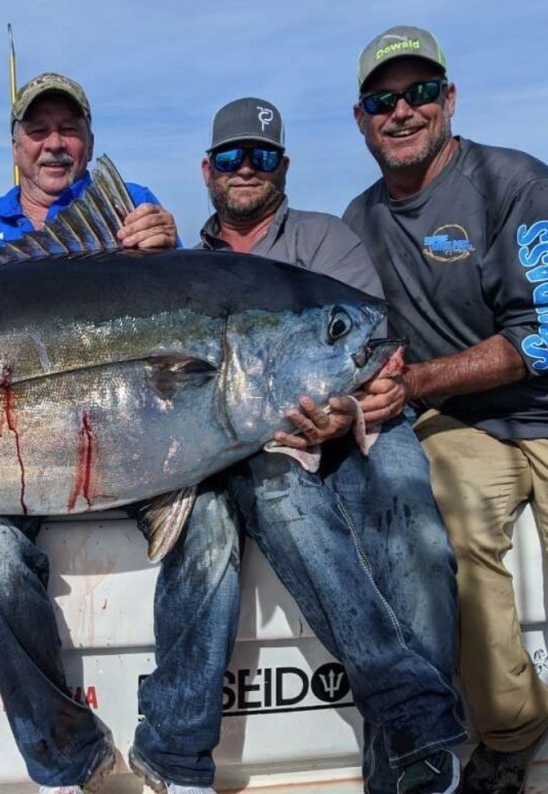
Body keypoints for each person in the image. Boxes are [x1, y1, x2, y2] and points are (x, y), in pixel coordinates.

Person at [0, 73, 240, 794]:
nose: (53, 144)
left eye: (67, 130)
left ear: (89, 143)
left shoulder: (130, 213)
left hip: (143, 445)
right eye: (37, 130)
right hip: (6, 456)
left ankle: (176, 758)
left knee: (215, 525)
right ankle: (62, 761)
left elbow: (183, 307)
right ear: (15, 145)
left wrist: (162, 245)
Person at [192, 97, 466, 794]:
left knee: (419, 540)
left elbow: (369, 346)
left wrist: (344, 412)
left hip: (362, 428)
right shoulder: (186, 267)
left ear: (284, 166)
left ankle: (401, 764)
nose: (245, 168)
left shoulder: (327, 239)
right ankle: (423, 733)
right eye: (231, 157)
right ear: (207, 171)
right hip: (267, 449)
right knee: (283, 501)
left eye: (262, 156)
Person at [344, 25, 548, 794]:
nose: (403, 111)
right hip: (466, 426)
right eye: (383, 99)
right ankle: (514, 727)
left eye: (420, 93)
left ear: (449, 100)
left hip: (533, 404)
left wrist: (419, 380)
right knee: (453, 538)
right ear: (361, 119)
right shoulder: (357, 224)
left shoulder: (518, 184)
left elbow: (546, 333)